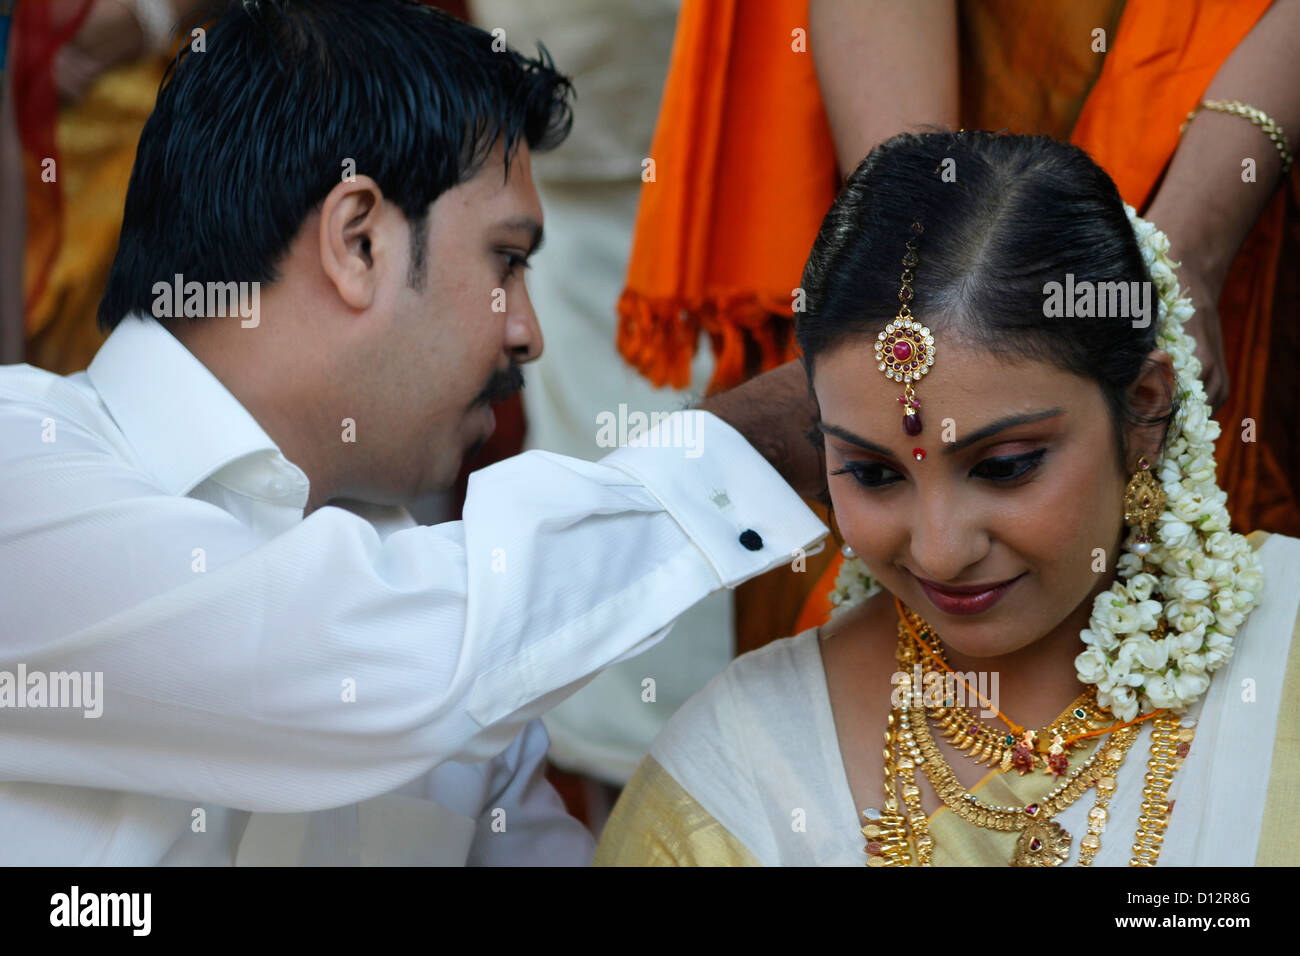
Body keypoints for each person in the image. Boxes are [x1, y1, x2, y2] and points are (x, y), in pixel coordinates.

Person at [0, 0, 827, 865]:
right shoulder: (23, 467)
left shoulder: (455, 642)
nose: (529, 333)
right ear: (358, 242)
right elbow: (357, 650)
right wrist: (757, 438)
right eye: (507, 259)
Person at [595, 131, 1300, 867]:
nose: (939, 549)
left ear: (1145, 410)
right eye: (872, 474)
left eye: (1005, 466)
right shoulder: (740, 773)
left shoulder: (1285, 648)